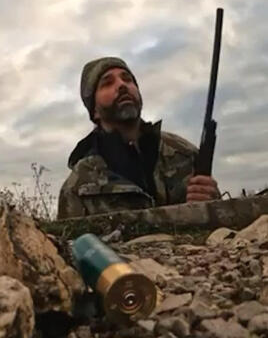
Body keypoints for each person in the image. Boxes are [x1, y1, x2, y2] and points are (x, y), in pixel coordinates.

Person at [57, 57, 220, 219]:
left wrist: (212, 202)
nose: (121, 85)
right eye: (107, 83)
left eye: (127, 79)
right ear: (95, 112)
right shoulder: (78, 186)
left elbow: (222, 224)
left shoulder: (184, 153)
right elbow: (72, 243)